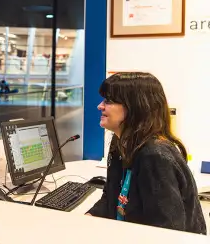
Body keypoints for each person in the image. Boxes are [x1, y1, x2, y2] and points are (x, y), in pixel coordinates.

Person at [87, 72, 206, 234]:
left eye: (108, 101)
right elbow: (110, 198)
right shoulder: (120, 143)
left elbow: (168, 232)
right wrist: (88, 218)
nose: (100, 106)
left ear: (135, 107)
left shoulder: (154, 156)